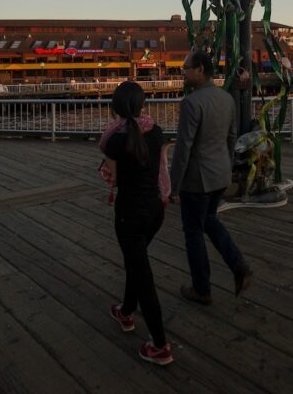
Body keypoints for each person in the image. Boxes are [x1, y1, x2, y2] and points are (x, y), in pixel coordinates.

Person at [170, 50, 253, 305]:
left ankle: (202, 288)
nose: (183, 72)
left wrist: (174, 186)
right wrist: (226, 167)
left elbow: (184, 147)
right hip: (219, 175)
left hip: (197, 179)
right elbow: (232, 137)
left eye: (186, 67)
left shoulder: (191, 103)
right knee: (209, 221)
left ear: (201, 70)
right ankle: (239, 266)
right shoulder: (226, 99)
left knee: (193, 233)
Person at [100, 81, 173, 366]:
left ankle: (159, 345)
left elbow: (113, 178)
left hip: (129, 212)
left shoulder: (114, 141)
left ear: (115, 108)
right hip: (154, 210)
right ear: (143, 105)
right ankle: (126, 310)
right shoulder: (156, 132)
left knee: (143, 275)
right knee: (137, 260)